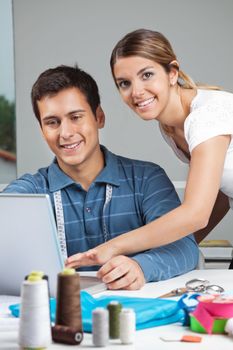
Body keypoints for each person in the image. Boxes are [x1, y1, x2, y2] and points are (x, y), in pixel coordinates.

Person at [3, 65, 198, 289]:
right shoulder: (30, 192)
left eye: (75, 117)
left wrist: (140, 267)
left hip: (134, 318)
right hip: (59, 319)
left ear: (99, 117)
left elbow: (185, 249)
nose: (65, 133)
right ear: (42, 130)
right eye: (52, 122)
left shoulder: (146, 179)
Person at [71, 28, 233, 270]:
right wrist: (183, 247)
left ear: (172, 73)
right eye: (124, 83)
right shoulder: (169, 126)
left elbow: (196, 212)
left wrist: (113, 247)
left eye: (146, 75)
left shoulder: (206, 116)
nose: (136, 92)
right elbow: (218, 192)